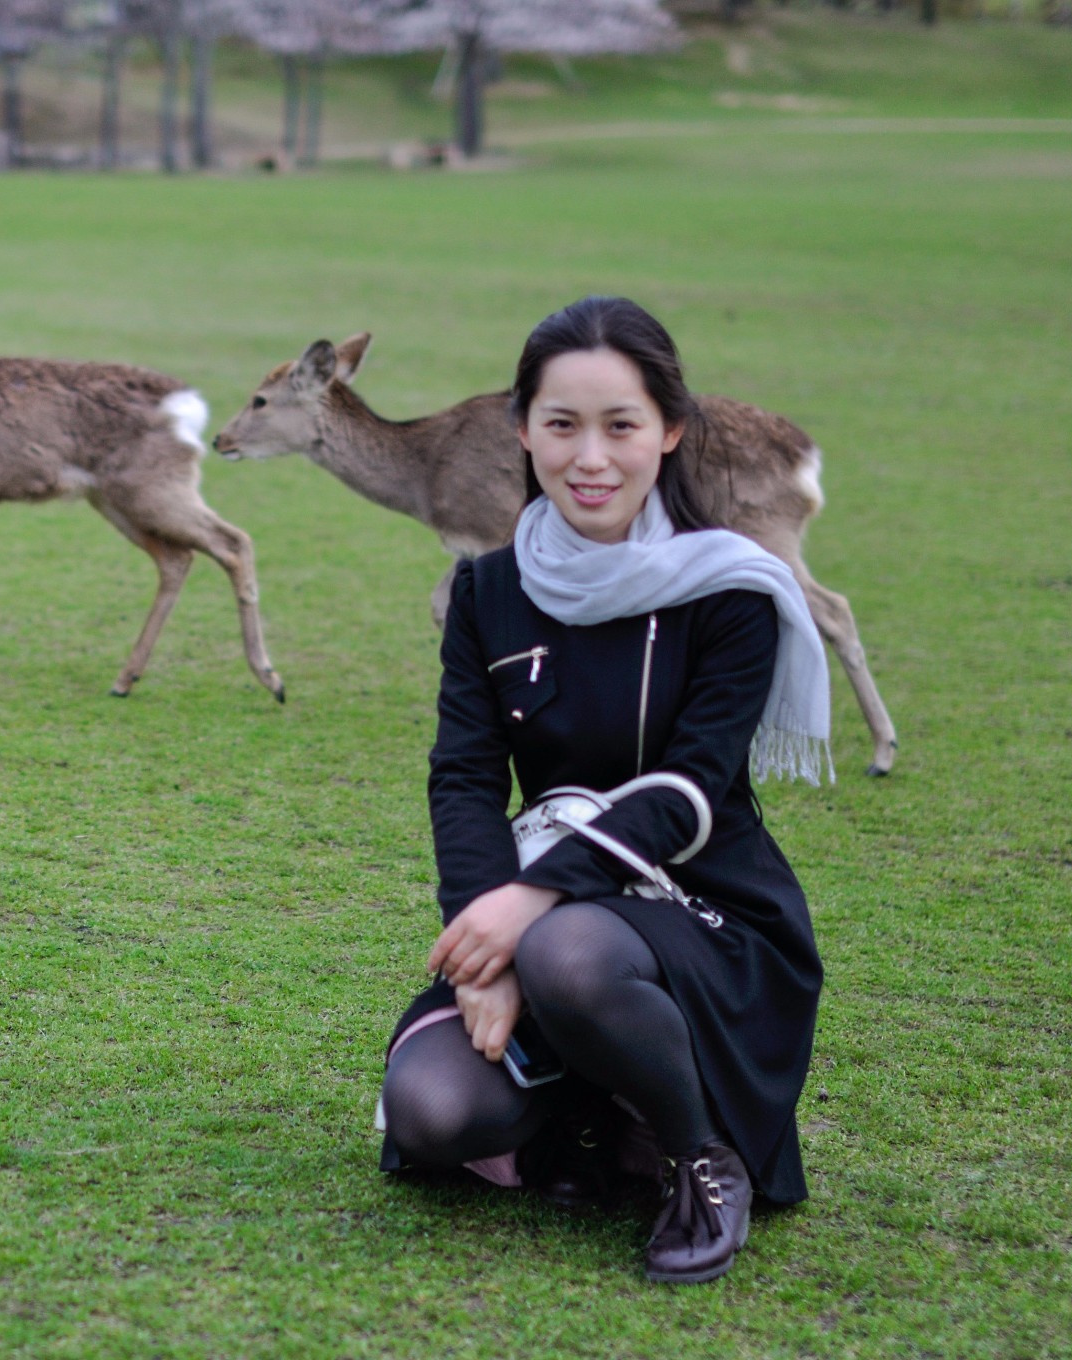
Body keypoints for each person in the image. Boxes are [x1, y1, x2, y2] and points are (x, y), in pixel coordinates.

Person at [377, 296, 829, 1285]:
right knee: (432, 1113)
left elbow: (693, 784)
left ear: (667, 431)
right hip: (533, 907)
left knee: (567, 950)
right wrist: (479, 949)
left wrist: (528, 905)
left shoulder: (729, 587)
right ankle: (592, 1115)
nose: (590, 457)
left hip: (702, 903)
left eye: (619, 425)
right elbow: (461, 774)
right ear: (521, 430)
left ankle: (701, 1157)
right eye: (560, 424)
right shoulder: (485, 591)